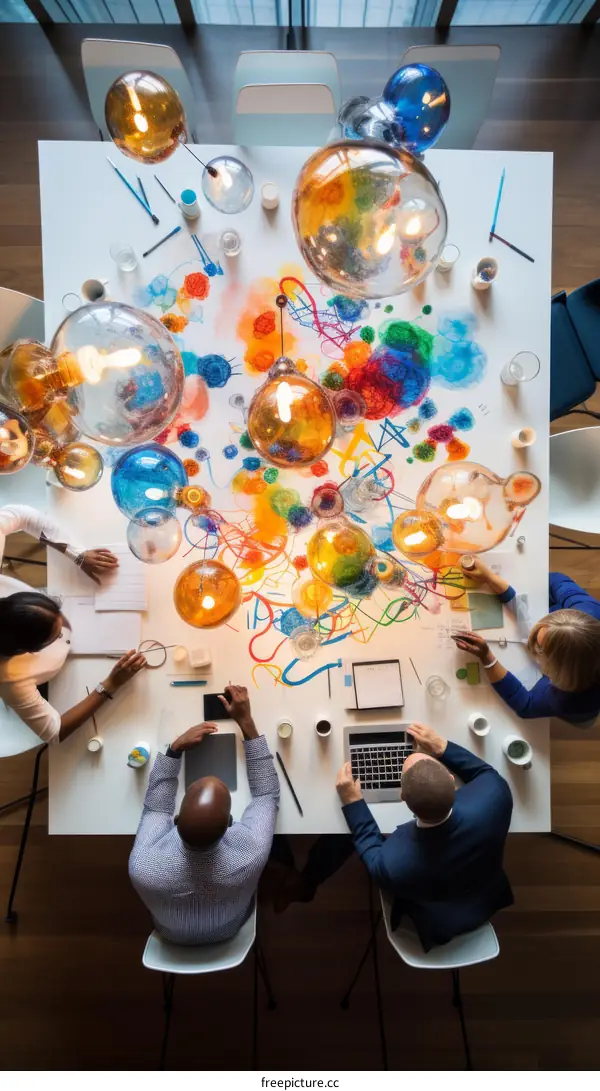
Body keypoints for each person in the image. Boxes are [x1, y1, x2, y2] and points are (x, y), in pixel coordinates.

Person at [278, 723, 513, 952]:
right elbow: (485, 773)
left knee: (345, 836)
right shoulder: (495, 798)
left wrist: (352, 801)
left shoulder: (393, 865)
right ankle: (306, 881)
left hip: (436, 920)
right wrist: (442, 746)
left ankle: (306, 882)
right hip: (484, 897)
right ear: (451, 780)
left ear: (403, 797)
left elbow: (369, 844)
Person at [128, 684, 280, 946]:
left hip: (171, 935)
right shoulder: (250, 854)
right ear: (230, 825)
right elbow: (267, 794)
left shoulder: (142, 866)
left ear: (176, 820)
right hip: (229, 930)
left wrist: (174, 749)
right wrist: (247, 723)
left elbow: (156, 808)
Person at [0, 504, 147, 743]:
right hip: (58, 679)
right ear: (29, 651)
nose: (66, 625)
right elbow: (55, 732)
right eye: (54, 635)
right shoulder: (11, 680)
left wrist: (75, 553)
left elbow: (19, 514)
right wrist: (110, 684)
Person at [451, 558, 600, 725]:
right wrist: (490, 577)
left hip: (581, 707)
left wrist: (487, 657)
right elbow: (555, 579)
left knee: (583, 721)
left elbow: (526, 706)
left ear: (556, 673)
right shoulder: (588, 611)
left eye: (541, 649)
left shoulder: (572, 700)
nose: (531, 644)